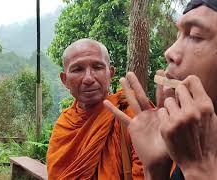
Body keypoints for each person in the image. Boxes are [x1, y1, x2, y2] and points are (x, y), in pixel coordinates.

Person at [104, 0, 217, 179]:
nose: (169, 52)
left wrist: (200, 170)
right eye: (178, 35)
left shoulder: (200, 157)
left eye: (196, 36)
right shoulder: (202, 142)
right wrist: (156, 170)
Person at [46, 38, 144, 180]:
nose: (88, 78)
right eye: (78, 69)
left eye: (97, 67)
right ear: (64, 80)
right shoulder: (64, 124)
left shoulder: (132, 114)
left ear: (110, 73)